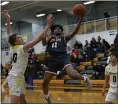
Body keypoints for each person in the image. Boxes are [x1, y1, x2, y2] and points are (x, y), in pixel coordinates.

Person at [2, 10, 53, 104]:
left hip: (19, 77)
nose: (21, 37)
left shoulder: (13, 47)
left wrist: (8, 18)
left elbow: (9, 32)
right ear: (16, 42)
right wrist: (48, 25)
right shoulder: (22, 47)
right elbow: (38, 38)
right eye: (18, 37)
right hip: (15, 77)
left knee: (23, 101)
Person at [42, 16, 92, 104]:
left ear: (62, 31)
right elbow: (43, 43)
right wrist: (44, 36)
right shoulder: (49, 38)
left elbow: (75, 32)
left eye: (59, 29)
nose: (57, 30)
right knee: (45, 82)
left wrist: (79, 21)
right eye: (56, 29)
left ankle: (84, 78)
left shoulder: (64, 38)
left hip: (63, 59)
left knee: (73, 75)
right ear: (53, 31)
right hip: (52, 61)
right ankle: (47, 97)